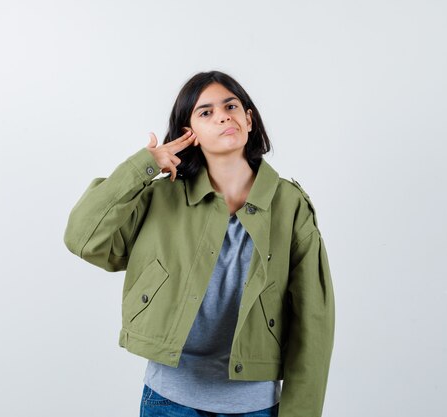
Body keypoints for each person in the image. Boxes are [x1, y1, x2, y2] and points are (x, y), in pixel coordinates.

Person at [63, 71, 335, 417]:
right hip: (168, 401)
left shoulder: (289, 205)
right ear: (188, 134)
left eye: (231, 106)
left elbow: (314, 320)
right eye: (205, 112)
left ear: (248, 120)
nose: (223, 115)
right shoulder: (160, 198)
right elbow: (82, 238)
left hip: (255, 407)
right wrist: (144, 166)